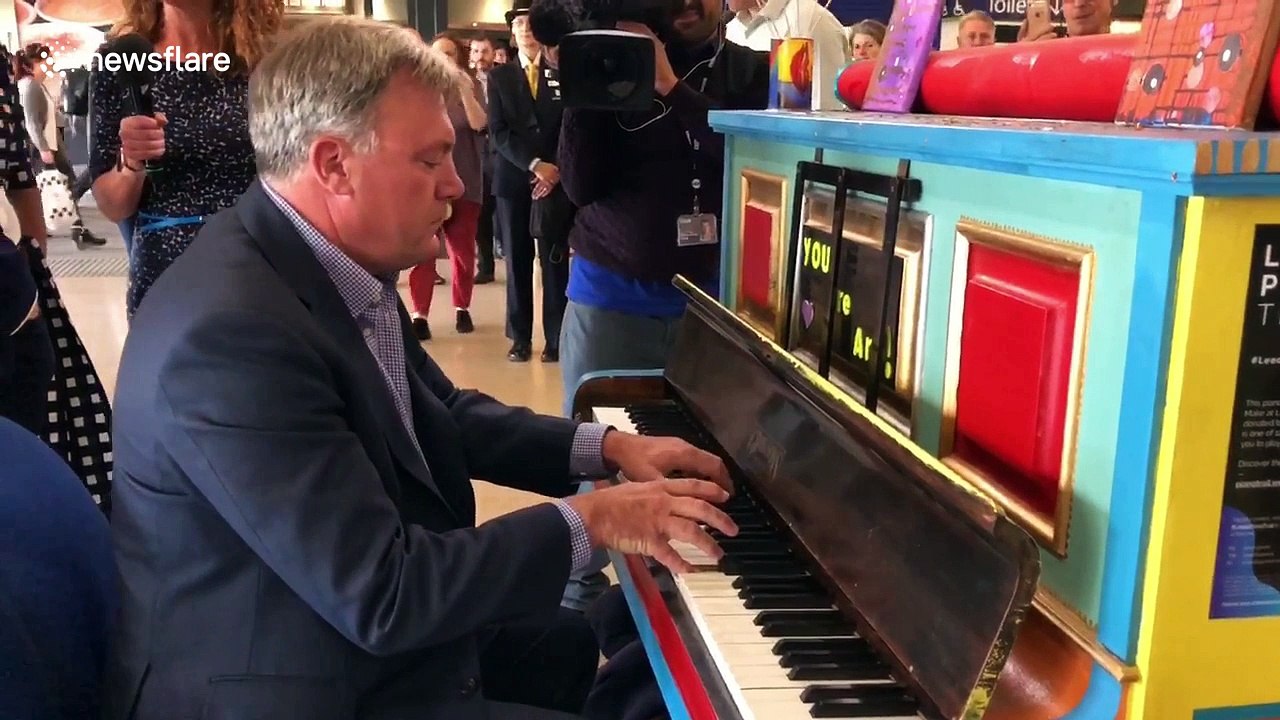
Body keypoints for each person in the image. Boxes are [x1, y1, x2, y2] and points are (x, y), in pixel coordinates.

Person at [105, 18, 737, 720]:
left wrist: (609, 449)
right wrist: (597, 518)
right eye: (431, 160)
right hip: (291, 678)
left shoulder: (318, 259)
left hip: (341, 620)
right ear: (333, 164)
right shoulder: (232, 337)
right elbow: (385, 594)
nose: (457, 184)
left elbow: (442, 413)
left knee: (575, 645)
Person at [556, 0, 770, 416]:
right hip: (611, 299)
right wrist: (587, 81)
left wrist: (670, 87)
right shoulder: (611, 65)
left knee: (712, 447)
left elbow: (753, 163)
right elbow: (580, 187)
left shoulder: (751, 71)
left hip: (715, 309)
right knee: (599, 443)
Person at [89, 0, 283, 316]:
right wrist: (133, 163)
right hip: (168, 273)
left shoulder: (265, 58)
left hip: (261, 263)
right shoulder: (121, 59)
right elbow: (113, 205)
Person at [488, 0, 570, 363]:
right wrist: (535, 165)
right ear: (512, 33)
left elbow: (570, 127)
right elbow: (498, 132)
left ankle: (556, 337)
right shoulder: (500, 77)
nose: (526, 30)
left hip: (555, 181)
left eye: (531, 24)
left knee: (554, 261)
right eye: (519, 24)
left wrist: (556, 170)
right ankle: (520, 337)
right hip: (514, 180)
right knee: (517, 260)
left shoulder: (563, 73)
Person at [407, 32, 487, 340]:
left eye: (449, 54)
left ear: (459, 59)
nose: (443, 59)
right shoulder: (418, 89)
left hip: (465, 180)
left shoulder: (473, 86)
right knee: (423, 252)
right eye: (438, 53)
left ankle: (462, 307)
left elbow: (479, 124)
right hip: (426, 184)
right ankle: (420, 314)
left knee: (462, 252)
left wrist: (464, 91)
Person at [14, 44, 106, 249]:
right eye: (46, 60)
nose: (50, 64)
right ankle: (65, 229)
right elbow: (31, 123)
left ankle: (77, 230)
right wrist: (44, 149)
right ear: (33, 63)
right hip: (45, 148)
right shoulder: (30, 87)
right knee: (58, 187)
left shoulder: (35, 85)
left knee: (65, 186)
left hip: (51, 145)